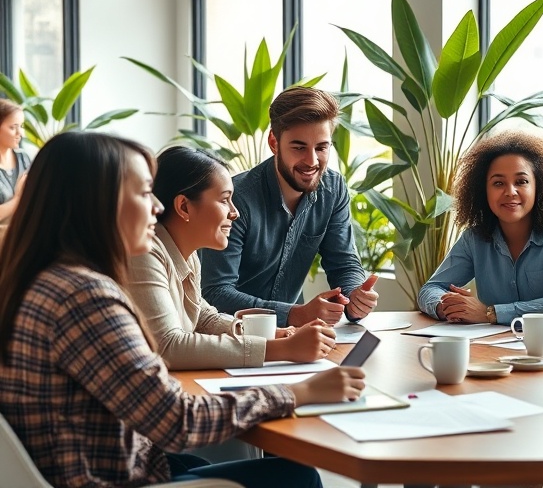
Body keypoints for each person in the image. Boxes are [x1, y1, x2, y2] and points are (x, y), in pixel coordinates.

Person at [0, 131, 365, 488]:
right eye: (145, 193)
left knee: (210, 464)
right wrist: (300, 392)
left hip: (103, 461)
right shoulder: (86, 298)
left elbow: (197, 316)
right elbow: (176, 419)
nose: (157, 207)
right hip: (106, 475)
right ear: (99, 203)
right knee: (297, 476)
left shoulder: (47, 278)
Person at [127, 146, 337, 370]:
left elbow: (203, 318)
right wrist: (282, 350)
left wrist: (273, 335)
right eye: (224, 200)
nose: (234, 212)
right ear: (184, 207)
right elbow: (168, 346)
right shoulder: (145, 255)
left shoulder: (186, 256)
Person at [201, 86, 378, 328]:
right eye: (299, 147)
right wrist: (294, 314)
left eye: (321, 147)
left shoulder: (333, 189)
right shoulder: (236, 199)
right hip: (227, 335)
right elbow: (216, 294)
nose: (312, 161)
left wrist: (355, 297)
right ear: (274, 142)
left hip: (292, 336)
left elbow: (344, 263)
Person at [417, 130, 543, 325]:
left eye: (521, 182)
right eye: (498, 183)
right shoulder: (474, 238)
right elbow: (430, 289)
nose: (510, 192)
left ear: (539, 186)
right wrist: (447, 306)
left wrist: (491, 313)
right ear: (483, 191)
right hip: (493, 348)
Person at [0, 98, 30, 222]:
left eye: (21, 126)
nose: (21, 133)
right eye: (13, 127)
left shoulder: (23, 158)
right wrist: (18, 200)